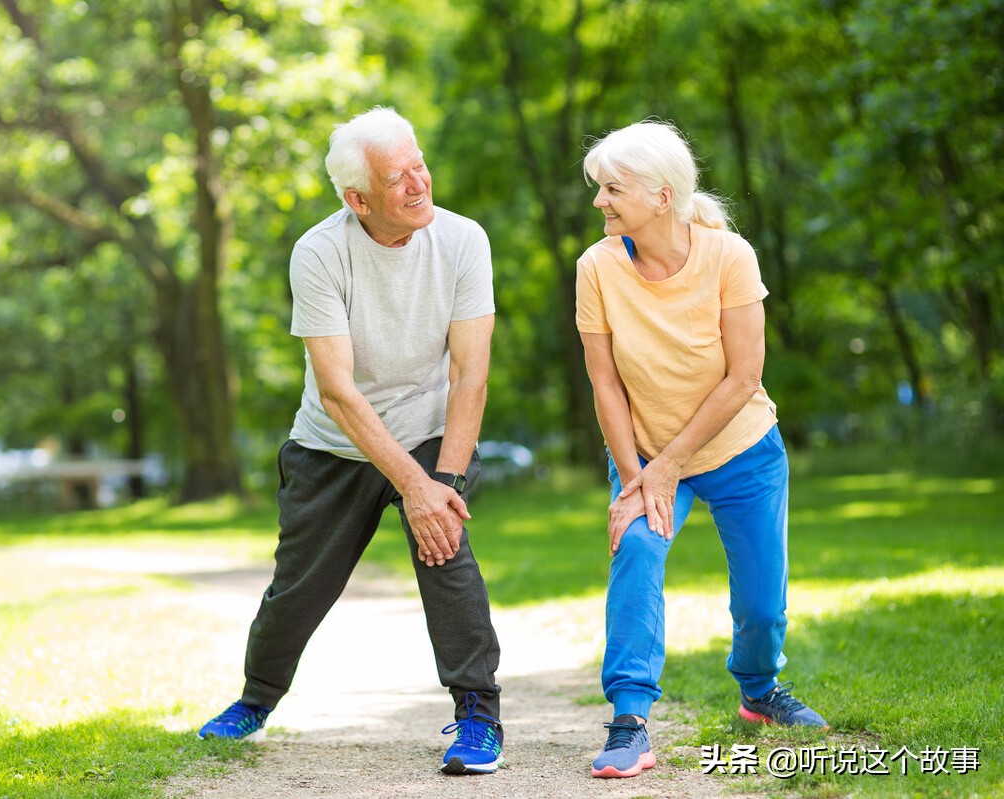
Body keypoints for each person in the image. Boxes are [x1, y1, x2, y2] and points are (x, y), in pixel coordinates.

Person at [197, 107, 504, 776]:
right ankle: (255, 698)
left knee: (445, 550)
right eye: (398, 177)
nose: (419, 182)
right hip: (335, 443)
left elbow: (471, 374)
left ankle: (479, 713)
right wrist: (412, 487)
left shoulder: (462, 240)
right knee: (300, 586)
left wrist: (439, 487)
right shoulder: (320, 251)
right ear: (356, 197)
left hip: (430, 431)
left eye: (419, 164)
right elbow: (337, 389)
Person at [574, 120, 828, 780]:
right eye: (598, 189)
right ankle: (629, 719)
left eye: (611, 189)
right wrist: (636, 479)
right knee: (635, 547)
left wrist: (669, 464)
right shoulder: (596, 268)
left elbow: (743, 376)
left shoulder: (729, 256)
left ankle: (758, 688)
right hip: (648, 457)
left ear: (661, 197)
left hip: (742, 451)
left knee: (763, 607)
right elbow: (604, 382)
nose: (599, 201)